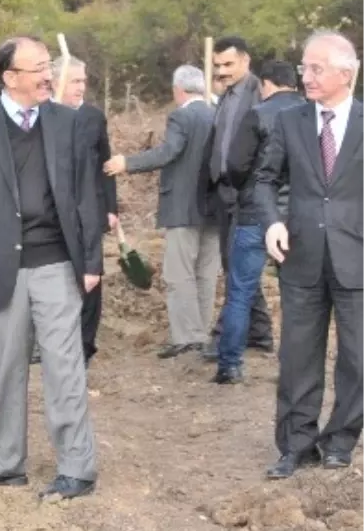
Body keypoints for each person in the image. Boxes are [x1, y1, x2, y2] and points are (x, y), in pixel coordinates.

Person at [0, 36, 101, 499]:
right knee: (6, 369)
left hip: (57, 264)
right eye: (38, 68)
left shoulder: (68, 123)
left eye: (48, 65)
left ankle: (77, 468)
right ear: (10, 78)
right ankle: (5, 463)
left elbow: (86, 196)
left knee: (65, 366)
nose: (49, 75)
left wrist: (91, 260)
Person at [258, 31, 364, 479]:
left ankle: (340, 440)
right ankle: (295, 445)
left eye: (316, 68)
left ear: (346, 73)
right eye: (304, 67)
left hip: (356, 256)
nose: (306, 76)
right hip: (299, 256)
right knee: (298, 356)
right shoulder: (290, 121)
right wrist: (272, 221)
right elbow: (264, 179)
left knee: (358, 359)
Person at [105, 66, 217, 358]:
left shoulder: (182, 116)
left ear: (178, 89)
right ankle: (200, 333)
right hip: (215, 208)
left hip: (183, 206)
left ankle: (185, 337)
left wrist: (126, 163)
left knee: (179, 274)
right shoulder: (217, 113)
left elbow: (169, 152)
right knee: (206, 273)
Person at [212, 61, 304, 384]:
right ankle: (293, 367)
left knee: (240, 291)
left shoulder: (259, 114)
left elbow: (236, 164)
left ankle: (230, 365)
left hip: (254, 213)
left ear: (266, 84)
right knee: (296, 295)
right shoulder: (313, 113)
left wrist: (245, 189)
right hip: (298, 218)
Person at [204, 36, 273, 360]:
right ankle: (259, 334)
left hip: (244, 193)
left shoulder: (259, 94)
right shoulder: (225, 97)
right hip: (223, 191)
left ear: (246, 61)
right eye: (218, 65)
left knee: (238, 267)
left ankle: (223, 340)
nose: (222, 71)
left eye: (228, 64)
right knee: (234, 265)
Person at [54, 56, 117, 365]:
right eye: (74, 81)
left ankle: (85, 343)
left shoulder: (93, 117)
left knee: (90, 276)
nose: (81, 87)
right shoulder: (43, 116)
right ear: (56, 82)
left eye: (83, 81)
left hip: (90, 208)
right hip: (53, 212)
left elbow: (106, 164)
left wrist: (111, 206)